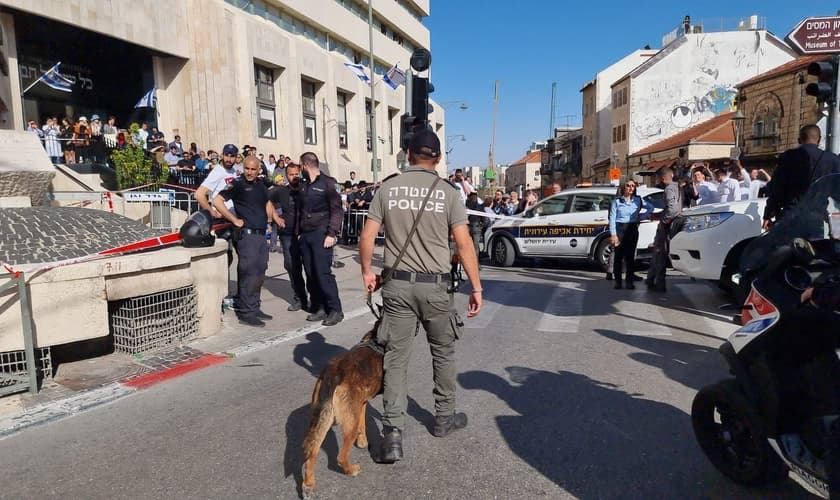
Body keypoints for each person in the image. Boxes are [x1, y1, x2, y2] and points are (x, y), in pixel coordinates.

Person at [358, 129, 482, 464]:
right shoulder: (449, 193)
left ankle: (393, 434)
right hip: (436, 287)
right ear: (438, 159)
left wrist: (367, 271)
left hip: (397, 286)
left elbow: (367, 236)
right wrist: (476, 286)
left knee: (396, 357)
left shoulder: (388, 188)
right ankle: (444, 418)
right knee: (443, 352)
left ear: (408, 155)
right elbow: (464, 244)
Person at [212, 156, 275, 327]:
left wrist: (269, 221)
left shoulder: (261, 186)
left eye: (253, 169)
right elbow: (217, 201)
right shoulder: (237, 184)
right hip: (246, 236)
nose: (249, 172)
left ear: (259, 170)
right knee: (249, 273)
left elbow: (266, 203)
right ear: (243, 168)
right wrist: (234, 219)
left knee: (259, 272)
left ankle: (254, 307)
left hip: (261, 235)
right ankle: (246, 312)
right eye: (247, 168)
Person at [297, 152, 344, 326]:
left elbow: (337, 210)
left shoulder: (328, 183)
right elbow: (301, 210)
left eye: (300, 165)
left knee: (322, 273)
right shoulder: (304, 185)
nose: (300, 169)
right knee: (310, 273)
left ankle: (335, 309)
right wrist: (299, 232)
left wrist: (332, 233)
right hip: (306, 234)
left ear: (306, 165)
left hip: (321, 233)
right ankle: (320, 307)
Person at [763, 125, 840, 229]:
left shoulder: (788, 157)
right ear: (819, 140)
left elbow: (776, 188)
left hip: (790, 215)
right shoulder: (832, 160)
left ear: (799, 140)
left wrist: (768, 214)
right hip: (816, 218)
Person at [268, 163, 309, 312]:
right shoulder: (281, 191)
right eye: (291, 174)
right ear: (286, 175)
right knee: (291, 265)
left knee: (311, 266)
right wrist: (275, 217)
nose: (294, 177)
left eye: (296, 174)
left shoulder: (306, 189)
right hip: (287, 234)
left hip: (305, 233)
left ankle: (317, 300)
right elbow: (267, 200)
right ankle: (300, 298)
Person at [609, 179, 654, 289]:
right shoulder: (617, 202)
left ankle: (629, 281)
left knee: (630, 256)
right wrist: (613, 234)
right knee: (618, 256)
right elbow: (612, 219)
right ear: (623, 187)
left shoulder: (638, 200)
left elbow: (650, 207)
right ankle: (618, 281)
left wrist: (641, 217)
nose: (630, 188)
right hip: (620, 228)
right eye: (628, 185)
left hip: (632, 228)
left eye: (633, 186)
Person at [646, 167, 681, 292]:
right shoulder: (677, 187)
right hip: (674, 224)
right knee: (657, 253)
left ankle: (659, 283)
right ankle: (650, 279)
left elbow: (672, 209)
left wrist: (664, 221)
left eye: (657, 178)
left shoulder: (669, 189)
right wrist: (659, 215)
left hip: (667, 226)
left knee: (659, 254)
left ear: (662, 178)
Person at [195, 143, 241, 219]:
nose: (229, 159)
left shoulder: (233, 170)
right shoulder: (217, 172)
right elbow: (199, 195)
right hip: (223, 219)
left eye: (232, 156)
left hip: (234, 216)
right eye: (226, 155)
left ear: (236, 157)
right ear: (222, 155)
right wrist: (212, 213)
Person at [465, 192, 485, 260]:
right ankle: (475, 260)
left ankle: (471, 260)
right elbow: (484, 219)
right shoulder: (479, 206)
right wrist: (482, 225)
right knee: (475, 245)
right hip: (475, 227)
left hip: (468, 227)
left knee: (469, 245)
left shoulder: (465, 206)